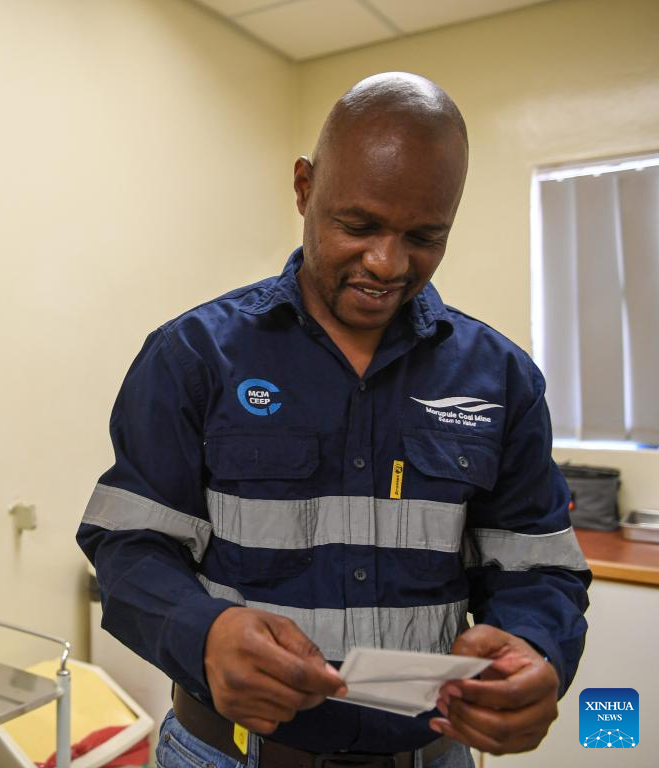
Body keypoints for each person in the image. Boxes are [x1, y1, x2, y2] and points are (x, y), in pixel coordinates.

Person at [76, 72, 590, 768]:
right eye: (359, 226)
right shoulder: (194, 356)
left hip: (428, 754)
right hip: (228, 754)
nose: (387, 263)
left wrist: (535, 649)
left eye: (424, 237)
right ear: (304, 188)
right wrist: (204, 632)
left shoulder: (500, 378)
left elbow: (539, 568)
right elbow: (130, 546)